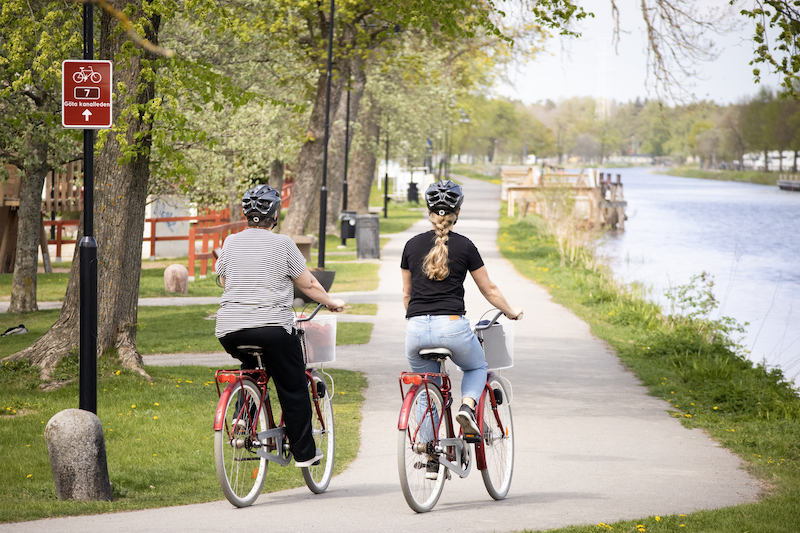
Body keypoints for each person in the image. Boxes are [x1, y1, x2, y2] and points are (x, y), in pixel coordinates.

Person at [215, 184, 345, 468]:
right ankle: (304, 453)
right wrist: (332, 302)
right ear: (274, 215)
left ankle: (242, 416)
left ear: (246, 214)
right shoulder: (283, 244)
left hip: (230, 330)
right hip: (273, 327)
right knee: (293, 384)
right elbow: (308, 283)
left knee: (251, 367)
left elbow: (225, 281)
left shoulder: (230, 243)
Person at [400, 180, 523, 439]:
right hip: (452, 327)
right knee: (477, 367)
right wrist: (510, 311)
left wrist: (417, 323)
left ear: (429, 210)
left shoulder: (411, 245)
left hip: (416, 330)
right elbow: (488, 289)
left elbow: (407, 295)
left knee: (427, 391)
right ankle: (467, 407)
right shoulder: (466, 246)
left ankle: (430, 455)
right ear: (458, 212)